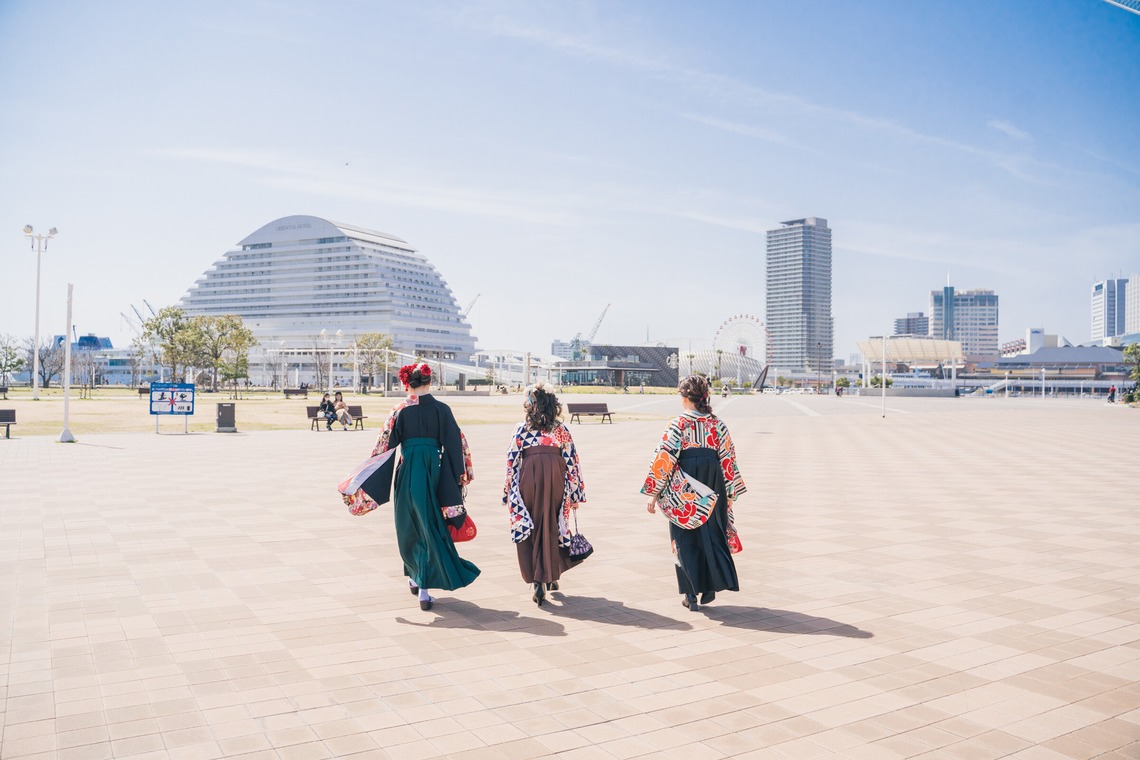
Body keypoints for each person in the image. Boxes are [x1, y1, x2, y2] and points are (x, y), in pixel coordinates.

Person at [343, 362, 480, 610]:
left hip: (407, 471)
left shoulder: (399, 410)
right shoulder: (442, 409)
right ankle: (422, 587)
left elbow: (383, 447)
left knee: (409, 525)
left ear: (407, 383)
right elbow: (456, 443)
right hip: (434, 472)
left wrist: (362, 479)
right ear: (430, 382)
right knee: (430, 525)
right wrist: (461, 475)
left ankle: (418, 580)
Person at [641, 375, 746, 612]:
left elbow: (664, 457)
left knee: (684, 536)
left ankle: (691, 594)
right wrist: (730, 492)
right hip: (713, 481)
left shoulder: (678, 424)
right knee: (713, 534)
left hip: (684, 484)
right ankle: (710, 586)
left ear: (685, 397)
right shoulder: (717, 424)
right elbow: (728, 458)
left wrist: (654, 492)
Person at [503, 381, 587, 606]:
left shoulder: (522, 428)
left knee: (531, 525)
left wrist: (508, 490)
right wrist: (576, 493)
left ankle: (538, 580)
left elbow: (512, 460)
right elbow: (572, 461)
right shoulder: (560, 430)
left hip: (528, 479)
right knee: (552, 524)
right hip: (556, 478)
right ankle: (550, 575)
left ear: (531, 405)